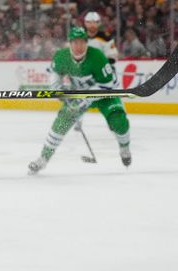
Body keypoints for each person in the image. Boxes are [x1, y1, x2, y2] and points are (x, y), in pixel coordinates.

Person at [28, 26, 131, 174]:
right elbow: (55, 74)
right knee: (62, 121)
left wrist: (86, 97)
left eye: (82, 42)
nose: (79, 46)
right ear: (70, 43)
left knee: (118, 120)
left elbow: (108, 84)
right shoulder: (61, 56)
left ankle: (124, 147)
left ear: (86, 43)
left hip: (104, 95)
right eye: (75, 42)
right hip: (79, 95)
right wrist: (57, 89)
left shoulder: (97, 57)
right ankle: (43, 159)